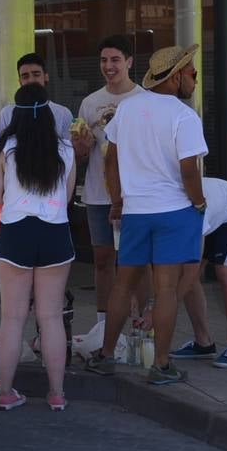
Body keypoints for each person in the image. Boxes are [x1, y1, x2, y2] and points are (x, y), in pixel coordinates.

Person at [86, 44, 208, 386]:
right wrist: (198, 203)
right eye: (193, 74)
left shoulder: (128, 108)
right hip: (174, 211)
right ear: (178, 76)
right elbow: (190, 170)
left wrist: (118, 200)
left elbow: (111, 160)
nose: (195, 80)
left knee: (123, 285)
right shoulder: (184, 116)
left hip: (136, 210)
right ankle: (162, 365)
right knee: (166, 290)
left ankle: (106, 355)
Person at [0, 83, 77, 412]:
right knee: (51, 317)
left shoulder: (5, 148)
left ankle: (6, 392)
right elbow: (66, 198)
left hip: (14, 233)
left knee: (12, 318)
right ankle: (56, 394)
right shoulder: (65, 150)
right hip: (55, 233)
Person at [71, 35, 144, 328]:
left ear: (128, 62)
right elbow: (81, 155)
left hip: (136, 194)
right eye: (104, 60)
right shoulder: (90, 103)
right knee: (102, 259)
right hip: (98, 194)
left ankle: (139, 323)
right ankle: (103, 324)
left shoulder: (142, 99)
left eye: (115, 60)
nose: (109, 66)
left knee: (135, 261)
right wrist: (82, 143)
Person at [173, 177, 227, 368]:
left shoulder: (192, 212)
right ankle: (203, 343)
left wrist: (164, 307)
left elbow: (192, 272)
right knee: (186, 272)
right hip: (213, 211)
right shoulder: (169, 205)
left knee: (226, 274)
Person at [0, 53, 74, 142]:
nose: (31, 80)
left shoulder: (63, 113)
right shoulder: (7, 113)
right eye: (25, 76)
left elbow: (71, 152)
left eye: (36, 74)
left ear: (46, 77)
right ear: (20, 81)